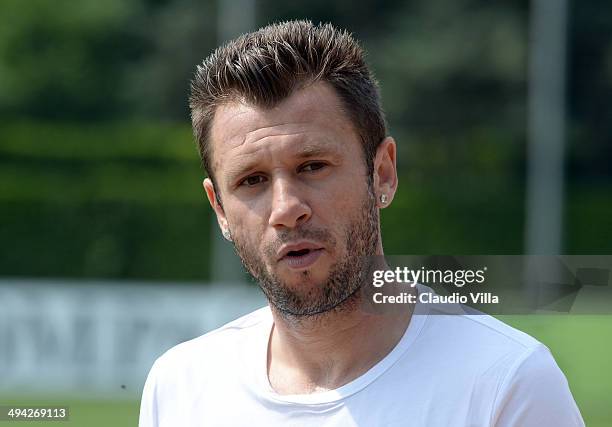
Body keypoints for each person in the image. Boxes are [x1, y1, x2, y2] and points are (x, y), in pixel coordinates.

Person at [139, 20, 584, 426]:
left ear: (383, 173)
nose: (285, 208)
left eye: (312, 166)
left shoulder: (506, 382)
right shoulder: (180, 388)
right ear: (219, 208)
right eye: (251, 180)